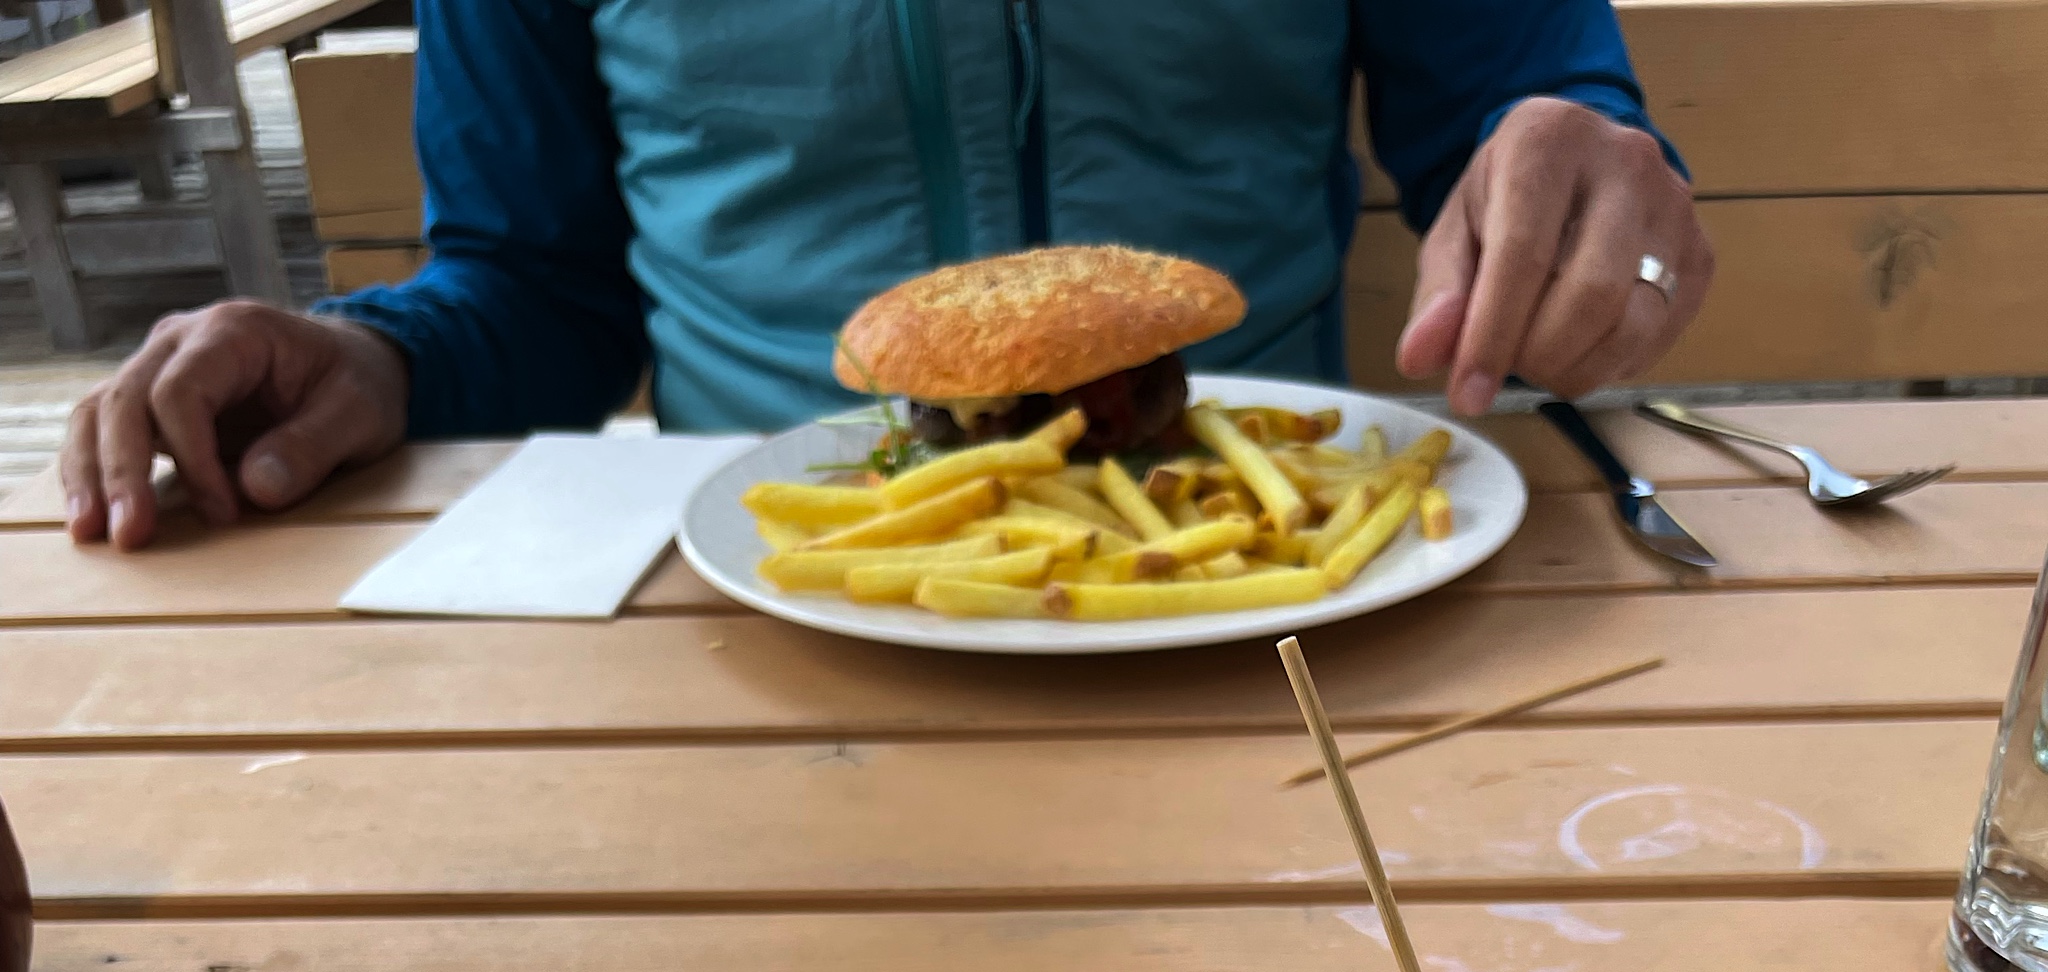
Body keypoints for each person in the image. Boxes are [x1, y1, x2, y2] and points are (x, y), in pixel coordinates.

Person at [62, 0, 1711, 549]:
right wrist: (380, 360)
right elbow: (535, 291)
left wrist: (1603, 203)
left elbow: (1533, 136)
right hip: (779, 607)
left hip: (1275, 598)